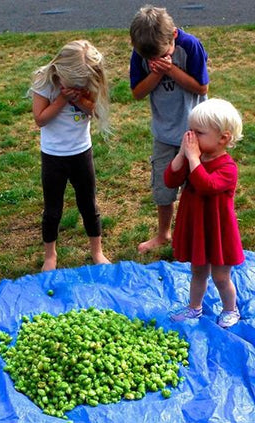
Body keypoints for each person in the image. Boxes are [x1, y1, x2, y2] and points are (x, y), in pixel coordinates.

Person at [129, 5, 209, 254]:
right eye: (151, 59)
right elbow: (137, 93)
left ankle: (196, 234)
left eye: (162, 55)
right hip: (164, 134)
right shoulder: (143, 52)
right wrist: (155, 73)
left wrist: (171, 70)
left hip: (195, 133)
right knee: (163, 189)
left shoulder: (190, 45)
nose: (156, 61)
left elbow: (201, 88)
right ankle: (164, 234)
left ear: (173, 34)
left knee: (195, 188)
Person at [29, 39, 111, 271]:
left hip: (81, 152)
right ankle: (50, 255)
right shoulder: (44, 81)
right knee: (53, 209)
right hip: (53, 156)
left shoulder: (87, 80)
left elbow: (92, 110)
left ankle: (97, 251)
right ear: (60, 70)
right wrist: (62, 99)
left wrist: (79, 99)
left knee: (88, 204)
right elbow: (40, 119)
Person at [164, 98, 244, 328]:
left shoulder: (228, 168)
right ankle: (194, 307)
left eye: (198, 133)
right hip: (197, 226)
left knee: (221, 276)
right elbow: (171, 180)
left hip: (218, 230)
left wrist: (192, 158)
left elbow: (206, 186)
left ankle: (231, 308)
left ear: (223, 138)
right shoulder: (193, 158)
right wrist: (182, 154)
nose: (191, 138)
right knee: (197, 271)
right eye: (190, 131)